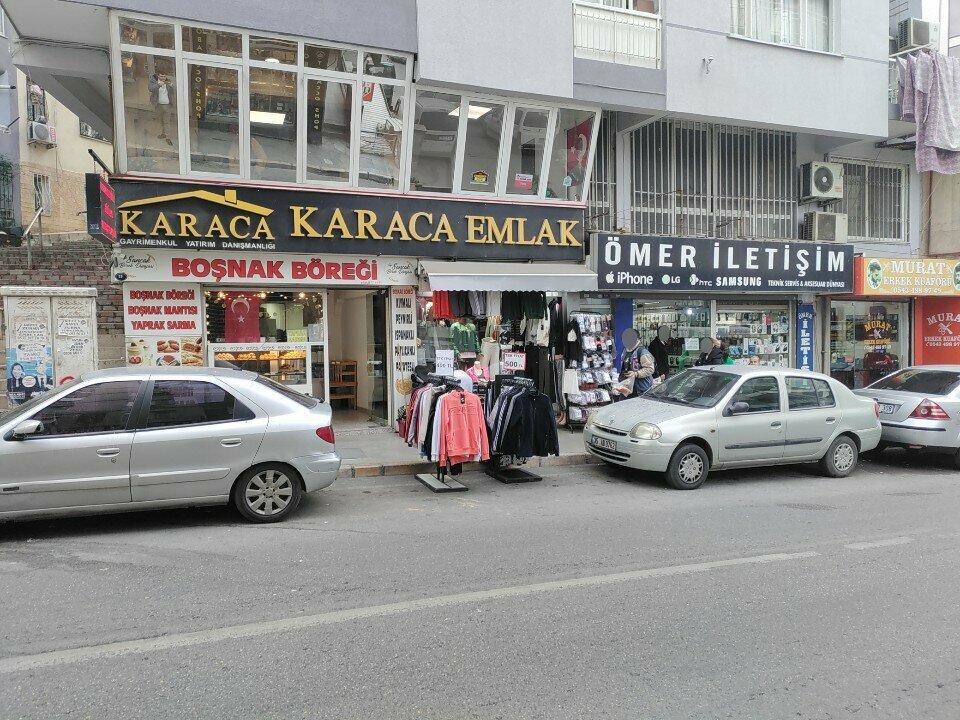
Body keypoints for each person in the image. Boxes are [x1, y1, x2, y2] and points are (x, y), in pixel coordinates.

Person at [615, 328, 655, 399]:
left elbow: (650, 369)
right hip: (626, 388)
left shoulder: (642, 352)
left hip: (639, 390)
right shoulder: (625, 350)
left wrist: (636, 374)